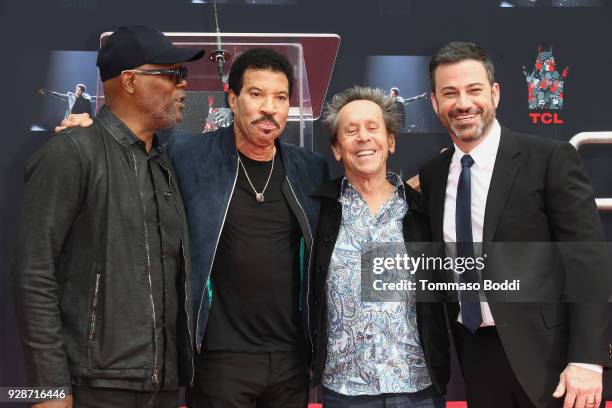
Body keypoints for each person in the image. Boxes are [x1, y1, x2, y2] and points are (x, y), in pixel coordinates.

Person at [13, 25, 204, 408]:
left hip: (162, 384)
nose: (183, 86)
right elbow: (33, 274)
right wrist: (49, 387)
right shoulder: (71, 153)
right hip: (92, 384)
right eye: (173, 74)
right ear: (130, 81)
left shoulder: (164, 162)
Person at [419, 41, 611, 408]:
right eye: (449, 93)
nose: (462, 103)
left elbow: (589, 261)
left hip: (551, 360)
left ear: (495, 93)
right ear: (434, 103)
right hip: (475, 355)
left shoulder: (550, 159)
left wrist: (587, 359)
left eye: (474, 90)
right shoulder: (433, 175)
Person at [165, 48, 328, 407]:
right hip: (219, 357)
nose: (269, 107)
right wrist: (89, 128)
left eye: (281, 97)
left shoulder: (311, 169)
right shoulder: (188, 154)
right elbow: (132, 142)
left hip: (290, 359)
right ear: (233, 99)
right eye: (256, 94)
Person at [310, 86, 449, 407]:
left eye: (373, 128)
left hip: (418, 390)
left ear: (391, 141)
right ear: (336, 148)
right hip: (344, 390)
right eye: (351, 130)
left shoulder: (421, 211)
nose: (363, 137)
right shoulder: (321, 210)